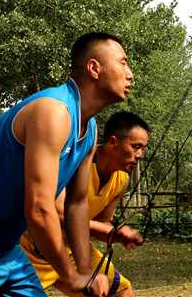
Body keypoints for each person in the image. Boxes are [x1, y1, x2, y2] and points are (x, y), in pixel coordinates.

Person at [0, 32, 133, 297]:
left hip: (3, 245)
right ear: (94, 68)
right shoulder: (53, 112)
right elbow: (39, 208)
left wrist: (85, 269)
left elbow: (76, 204)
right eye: (123, 63)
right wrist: (71, 275)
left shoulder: (89, 131)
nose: (130, 74)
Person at [20, 111, 149, 297]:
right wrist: (105, 230)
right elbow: (57, 213)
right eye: (136, 147)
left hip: (75, 252)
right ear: (113, 142)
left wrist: (117, 234)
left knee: (122, 292)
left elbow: (103, 222)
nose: (140, 155)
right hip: (35, 250)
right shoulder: (76, 161)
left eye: (143, 148)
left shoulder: (122, 180)